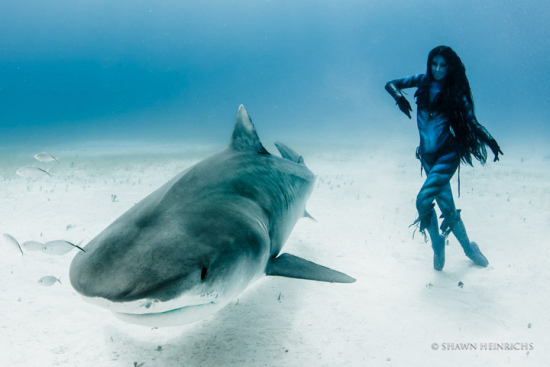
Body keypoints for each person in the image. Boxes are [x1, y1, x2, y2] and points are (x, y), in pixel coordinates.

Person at [385, 45, 503, 271]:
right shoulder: (422, 81)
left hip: (447, 155)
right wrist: (399, 97)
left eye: (443, 65)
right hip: (427, 157)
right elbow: (390, 84)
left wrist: (490, 140)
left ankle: (437, 243)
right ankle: (469, 248)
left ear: (450, 67)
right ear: (429, 64)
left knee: (422, 201)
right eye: (434, 64)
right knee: (447, 208)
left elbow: (472, 122)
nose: (437, 69)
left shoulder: (455, 92)